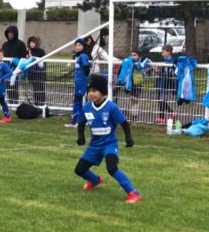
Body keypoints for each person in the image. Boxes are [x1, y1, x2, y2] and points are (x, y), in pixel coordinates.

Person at [74, 75, 141, 204]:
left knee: (112, 168)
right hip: (94, 145)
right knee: (79, 170)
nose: (91, 94)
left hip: (109, 144)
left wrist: (128, 138)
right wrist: (81, 137)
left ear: (103, 92)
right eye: (89, 91)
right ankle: (95, 180)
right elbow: (81, 122)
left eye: (94, 91)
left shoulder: (111, 107)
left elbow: (124, 123)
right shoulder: (87, 107)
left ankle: (133, 193)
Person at [67, 38, 90, 128]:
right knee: (79, 100)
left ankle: (76, 121)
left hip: (81, 81)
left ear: (83, 46)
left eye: (80, 45)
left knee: (78, 100)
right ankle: (81, 119)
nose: (77, 47)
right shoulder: (78, 56)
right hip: (78, 81)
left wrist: (85, 77)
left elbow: (86, 67)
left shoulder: (83, 56)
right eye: (76, 45)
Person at [1, 25, 28, 102]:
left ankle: (15, 102)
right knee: (8, 86)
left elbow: (23, 57)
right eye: (9, 33)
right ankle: (10, 102)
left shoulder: (20, 44)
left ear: (15, 34)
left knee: (14, 86)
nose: (10, 35)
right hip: (6, 68)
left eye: (12, 33)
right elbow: (2, 55)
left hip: (16, 69)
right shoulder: (5, 44)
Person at [155, 45, 177, 123]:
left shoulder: (173, 60)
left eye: (163, 52)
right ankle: (170, 113)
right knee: (161, 99)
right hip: (161, 80)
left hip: (167, 82)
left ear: (169, 52)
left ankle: (163, 117)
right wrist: (158, 69)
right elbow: (162, 70)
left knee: (161, 99)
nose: (162, 53)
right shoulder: (163, 60)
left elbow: (173, 70)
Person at [26, 36, 47, 105]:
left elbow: (44, 63)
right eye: (30, 43)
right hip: (32, 74)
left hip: (39, 74)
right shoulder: (28, 52)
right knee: (35, 90)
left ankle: (42, 104)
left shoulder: (41, 51)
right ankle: (36, 104)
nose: (31, 44)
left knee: (40, 89)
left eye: (33, 43)